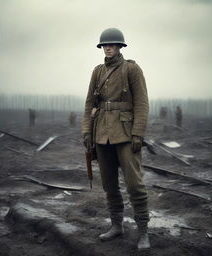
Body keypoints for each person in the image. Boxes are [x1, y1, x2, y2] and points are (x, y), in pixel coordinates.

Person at [82, 28, 150, 250]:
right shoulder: (97, 72)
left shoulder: (131, 69)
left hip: (126, 134)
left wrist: (138, 133)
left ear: (120, 46)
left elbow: (141, 103)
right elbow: (89, 105)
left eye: (112, 44)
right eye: (105, 45)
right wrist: (86, 131)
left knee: (135, 185)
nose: (108, 47)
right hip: (102, 135)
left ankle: (143, 232)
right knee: (109, 185)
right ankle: (117, 225)